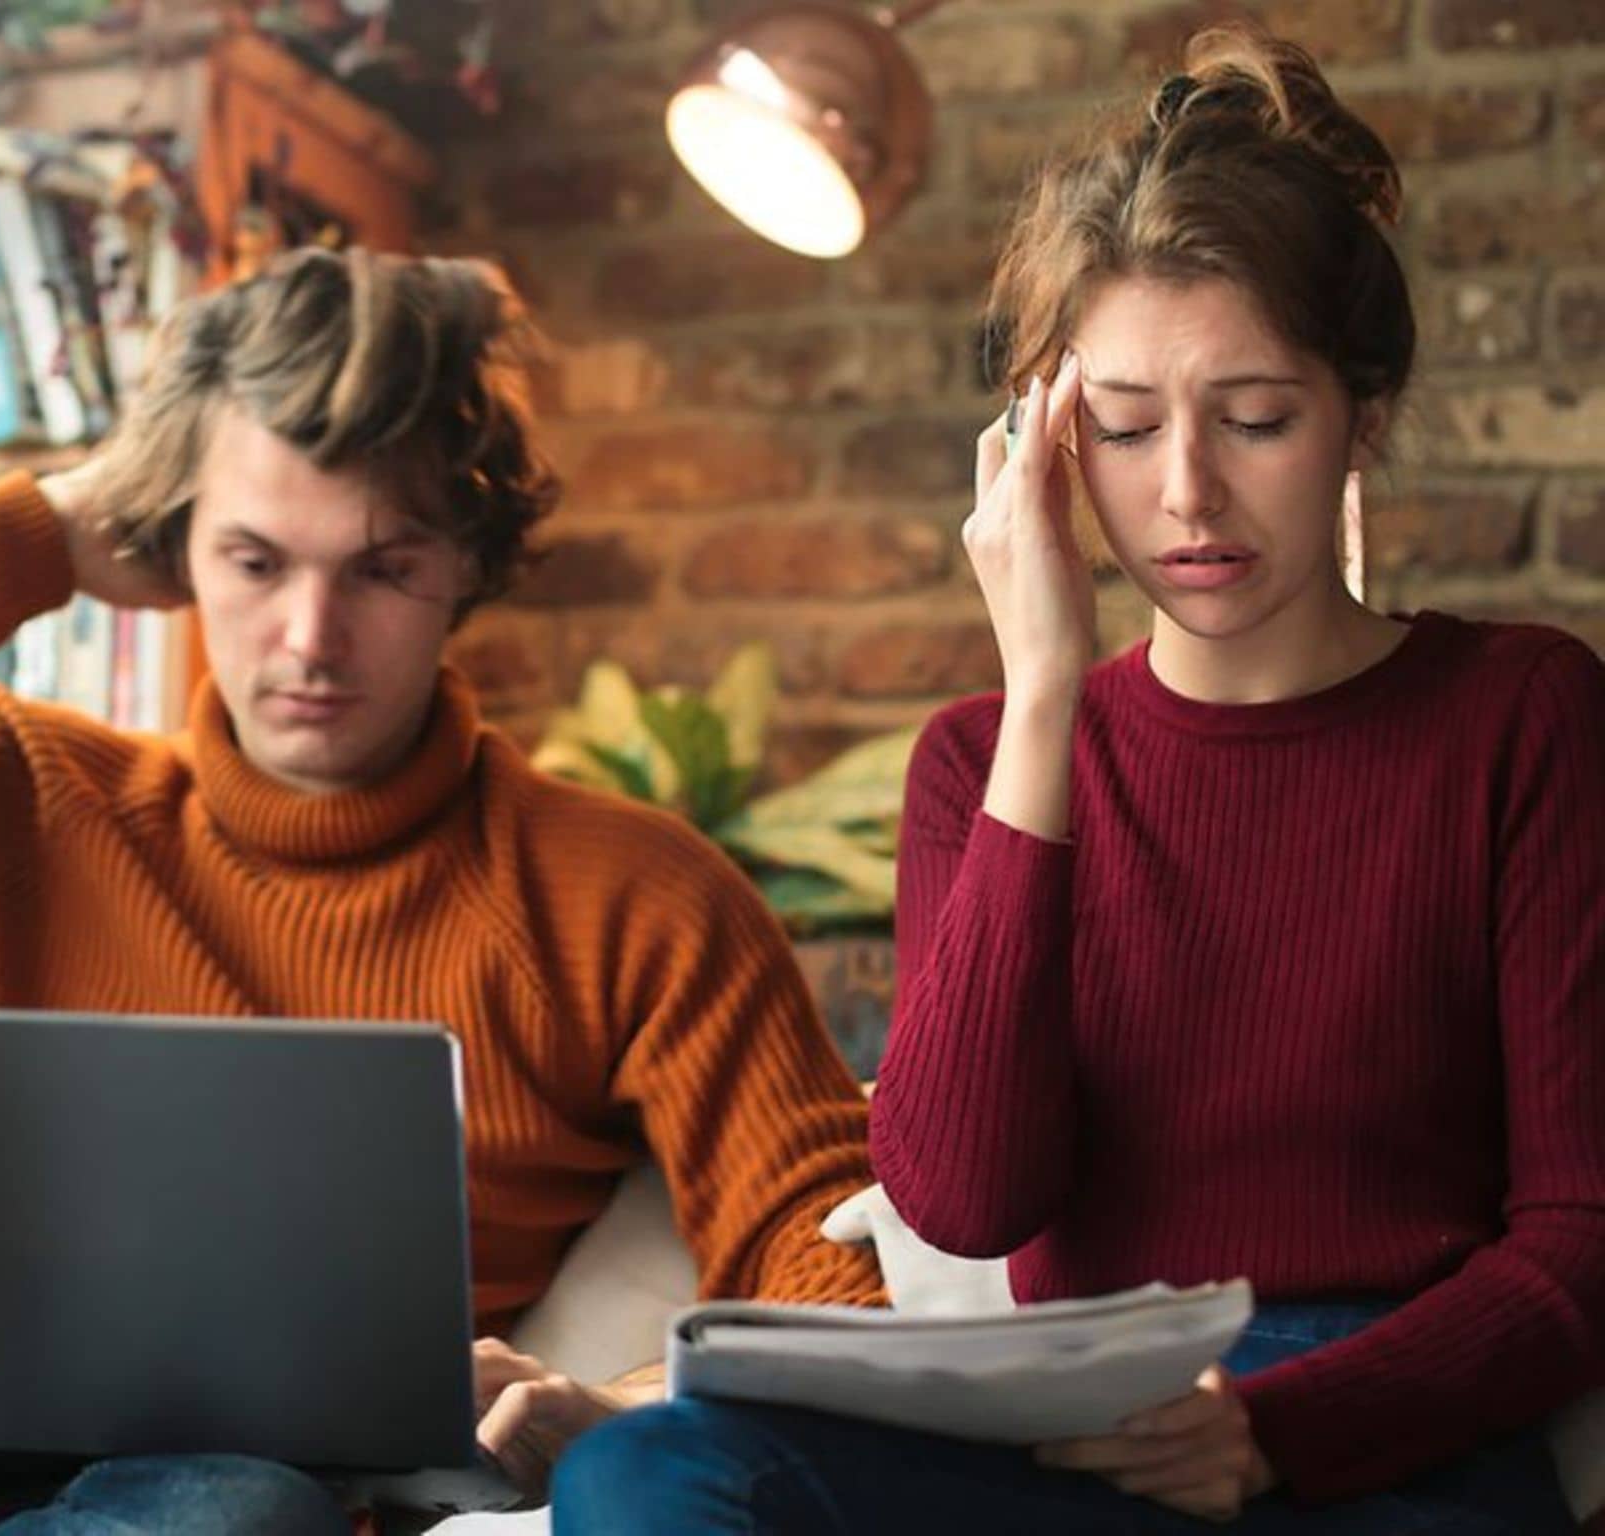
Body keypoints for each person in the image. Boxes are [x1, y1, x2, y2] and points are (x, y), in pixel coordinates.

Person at [0, 247, 884, 1533]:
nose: (309, 640)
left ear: (468, 571)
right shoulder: (13, 788)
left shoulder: (628, 895)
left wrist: (625, 1407)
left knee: (240, 1498)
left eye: (381, 569)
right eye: (255, 561)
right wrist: (48, 530)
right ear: (171, 550)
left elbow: (830, 1256)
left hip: (232, 1492)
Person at [553, 23, 1604, 1535]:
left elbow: (1580, 1239)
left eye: (1255, 419)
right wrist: (1044, 694)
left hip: (1380, 1438)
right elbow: (965, 1204)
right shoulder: (980, 763)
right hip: (1076, 1423)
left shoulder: (1521, 718)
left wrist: (1276, 1426)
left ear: (1362, 414)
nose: (1185, 492)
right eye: (1123, 427)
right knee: (645, 1471)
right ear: (1049, 440)